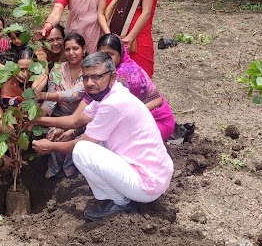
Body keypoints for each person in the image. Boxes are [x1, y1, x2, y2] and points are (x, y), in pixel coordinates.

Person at [32, 52, 173, 221]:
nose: (90, 83)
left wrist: (50, 146)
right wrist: (36, 120)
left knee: (82, 151)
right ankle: (119, 196)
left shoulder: (113, 104)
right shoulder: (109, 94)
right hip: (153, 173)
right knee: (93, 145)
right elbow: (76, 120)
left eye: (97, 76)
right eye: (86, 78)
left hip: (148, 184)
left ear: (113, 77)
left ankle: (120, 203)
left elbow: (80, 144)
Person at [96, 33, 175, 141]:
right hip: (140, 116)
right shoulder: (109, 71)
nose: (106, 59)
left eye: (111, 54)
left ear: (121, 53)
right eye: (102, 54)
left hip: (157, 122)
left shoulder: (125, 73)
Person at [37, 33, 87, 178]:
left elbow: (74, 94)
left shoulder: (90, 71)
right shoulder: (57, 71)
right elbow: (51, 102)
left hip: (83, 118)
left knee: (74, 136)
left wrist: (43, 95)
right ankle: (54, 168)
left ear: (83, 49)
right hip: (60, 116)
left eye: (75, 48)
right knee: (53, 133)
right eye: (67, 49)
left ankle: (71, 169)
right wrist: (39, 117)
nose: (71, 53)